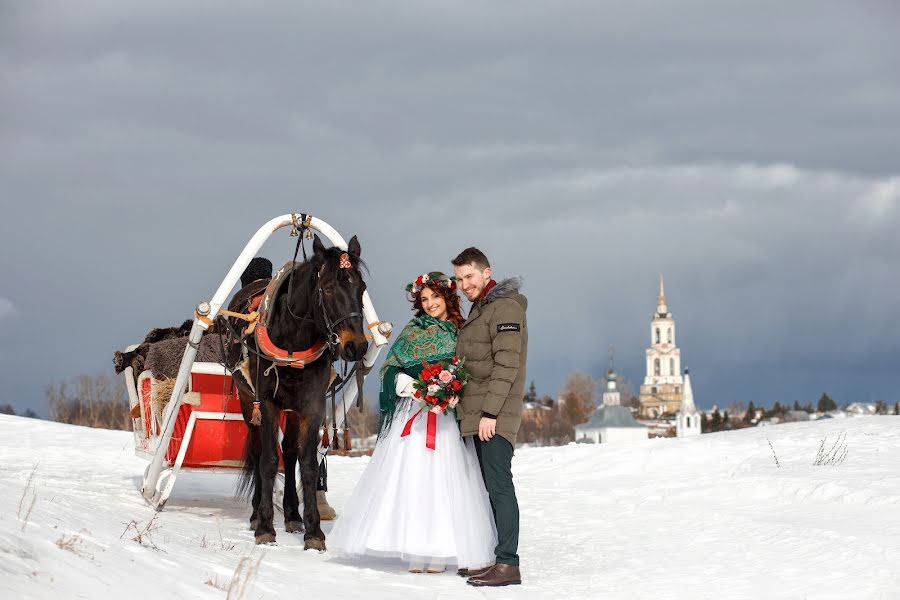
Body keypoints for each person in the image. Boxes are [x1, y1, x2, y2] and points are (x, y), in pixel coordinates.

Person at [328, 272, 496, 574]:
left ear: (447, 296)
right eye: (424, 299)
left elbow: (470, 371)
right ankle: (417, 548)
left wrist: (451, 393)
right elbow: (389, 370)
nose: (430, 304)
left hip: (446, 422)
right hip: (414, 417)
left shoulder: (462, 330)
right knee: (414, 481)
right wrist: (417, 389)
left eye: (435, 297)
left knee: (442, 483)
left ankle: (439, 551)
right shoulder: (413, 330)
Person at [452, 247, 527, 587]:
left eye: (469, 276)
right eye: (459, 279)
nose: (464, 284)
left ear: (486, 272)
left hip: (494, 416)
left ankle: (508, 564)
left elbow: (506, 366)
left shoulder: (505, 308)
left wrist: (489, 413)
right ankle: (495, 558)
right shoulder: (481, 310)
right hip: (479, 414)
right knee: (486, 488)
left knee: (498, 487)